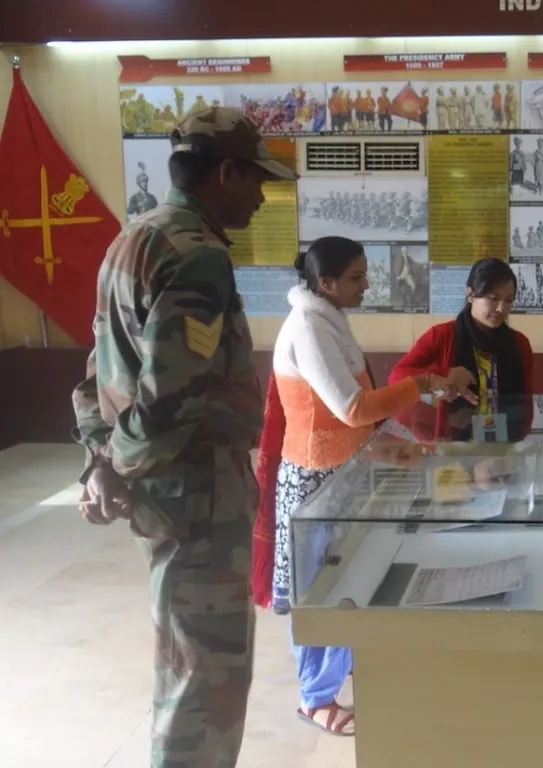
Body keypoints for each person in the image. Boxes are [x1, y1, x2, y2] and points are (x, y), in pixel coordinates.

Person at [71, 106, 295, 768]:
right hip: (199, 499)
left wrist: (100, 462)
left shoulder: (132, 241)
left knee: (183, 671)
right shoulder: (198, 257)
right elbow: (168, 403)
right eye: (257, 179)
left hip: (169, 498)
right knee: (208, 686)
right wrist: (110, 466)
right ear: (225, 172)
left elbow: (95, 378)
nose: (261, 195)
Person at [253, 236, 461, 737]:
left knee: (347, 584)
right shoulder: (308, 327)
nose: (367, 284)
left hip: (342, 472)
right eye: (356, 277)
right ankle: (315, 698)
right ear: (325, 283)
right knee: (320, 595)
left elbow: (350, 415)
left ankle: (338, 674)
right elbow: (352, 409)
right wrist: (426, 384)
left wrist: (388, 444)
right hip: (313, 481)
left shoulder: (328, 321)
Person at [388, 257, 535, 441]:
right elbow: (397, 377)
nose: (501, 308)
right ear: (471, 294)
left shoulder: (519, 344)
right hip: (454, 445)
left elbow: (526, 403)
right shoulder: (442, 336)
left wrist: (519, 441)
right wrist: (442, 375)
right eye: (493, 298)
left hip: (505, 441)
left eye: (509, 300)